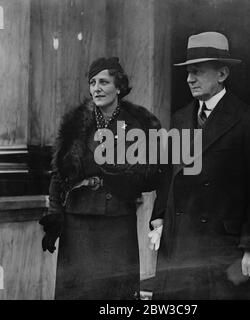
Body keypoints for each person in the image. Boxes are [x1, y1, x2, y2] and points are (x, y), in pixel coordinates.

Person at [149, 32, 250, 299]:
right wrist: (159, 219)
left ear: (222, 74)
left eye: (197, 71)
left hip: (225, 247)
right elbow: (169, 176)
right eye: (187, 72)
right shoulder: (181, 118)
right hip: (181, 245)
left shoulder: (249, 120)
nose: (189, 79)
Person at [39, 57, 162, 299]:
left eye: (104, 82)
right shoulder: (75, 123)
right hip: (78, 225)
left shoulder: (138, 123)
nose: (96, 88)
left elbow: (151, 176)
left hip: (117, 222)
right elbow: (59, 174)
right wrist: (54, 216)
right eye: (92, 82)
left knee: (115, 294)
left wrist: (122, 172)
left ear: (119, 87)